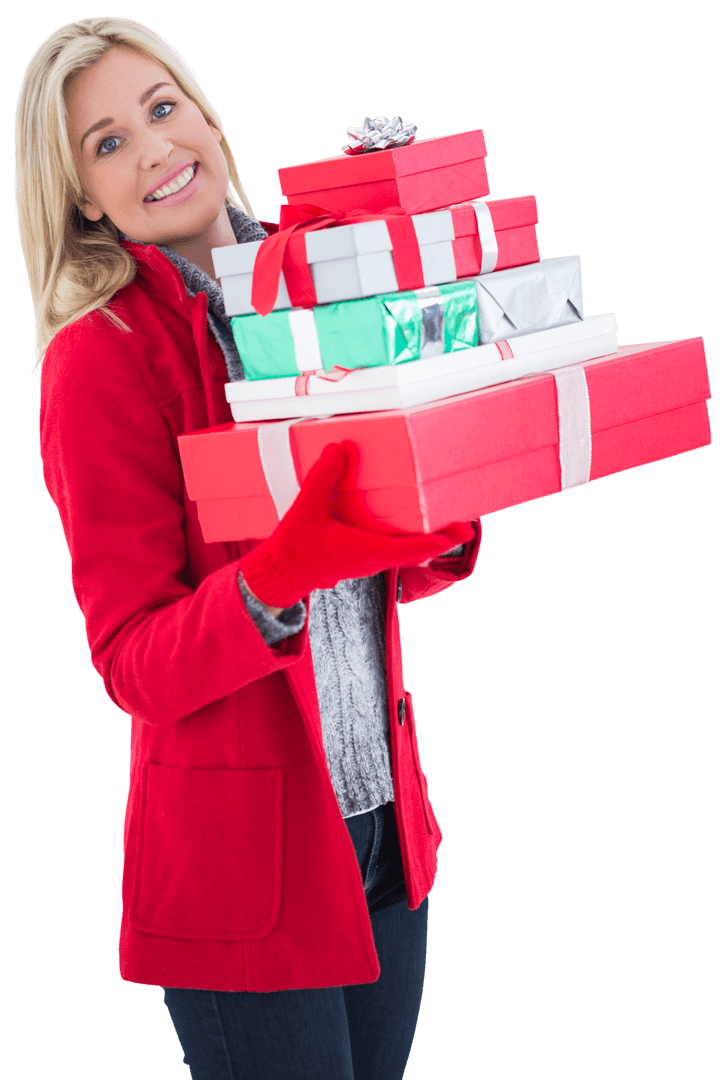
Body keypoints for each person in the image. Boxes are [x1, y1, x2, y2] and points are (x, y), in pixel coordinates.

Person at [15, 16, 482, 1080]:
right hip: (243, 871)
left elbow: (374, 556)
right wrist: (279, 574)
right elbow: (132, 661)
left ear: (208, 116)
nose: (152, 150)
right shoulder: (104, 359)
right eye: (106, 144)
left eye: (160, 109)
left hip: (380, 829)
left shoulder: (319, 286)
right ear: (85, 196)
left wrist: (448, 496)